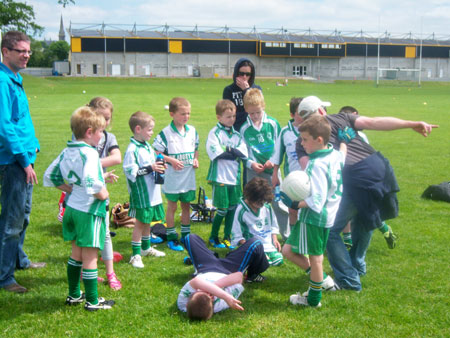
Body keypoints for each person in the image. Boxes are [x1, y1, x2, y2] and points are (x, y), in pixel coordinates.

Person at [295, 95, 438, 291]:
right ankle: (357, 267)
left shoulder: (304, 141)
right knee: (364, 220)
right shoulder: (341, 119)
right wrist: (411, 123)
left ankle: (348, 278)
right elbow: (374, 122)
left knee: (331, 230)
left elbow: (309, 175)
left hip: (357, 179)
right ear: (320, 111)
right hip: (379, 168)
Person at [43, 107, 115, 311]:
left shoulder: (68, 150)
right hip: (89, 211)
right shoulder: (90, 153)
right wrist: (104, 193)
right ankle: (92, 301)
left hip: (72, 208)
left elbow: (51, 176)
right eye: (101, 131)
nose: (102, 135)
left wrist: (70, 189)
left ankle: (74, 294)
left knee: (76, 253)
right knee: (90, 256)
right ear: (89, 132)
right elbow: (92, 183)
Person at [281, 115, 346, 307]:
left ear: (319, 140)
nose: (301, 143)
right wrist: (344, 141)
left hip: (316, 217)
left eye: (305, 140)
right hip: (327, 215)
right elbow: (342, 155)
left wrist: (293, 204)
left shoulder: (317, 165)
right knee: (288, 250)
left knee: (316, 258)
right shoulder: (333, 153)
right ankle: (323, 281)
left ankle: (313, 299)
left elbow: (316, 201)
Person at [0, 31, 44, 293]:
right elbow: (4, 127)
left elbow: (21, 120)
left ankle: (19, 261)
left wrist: (34, 143)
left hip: (26, 157)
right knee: (12, 221)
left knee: (23, 216)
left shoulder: (15, 78)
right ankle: (5, 278)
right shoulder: (3, 81)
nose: (26, 55)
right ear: (6, 51)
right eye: (21, 51)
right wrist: (25, 160)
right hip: (15, 161)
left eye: (28, 51)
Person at [338, 106, 397, 250]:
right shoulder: (339, 134)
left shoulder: (360, 136)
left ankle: (384, 230)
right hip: (346, 177)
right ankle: (348, 239)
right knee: (351, 210)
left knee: (364, 212)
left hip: (360, 180)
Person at [177, 233, 269, 320]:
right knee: (256, 243)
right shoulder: (222, 303)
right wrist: (222, 294)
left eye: (199, 291)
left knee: (190, 238)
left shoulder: (182, 302)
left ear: (187, 302)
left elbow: (197, 281)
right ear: (213, 306)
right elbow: (238, 276)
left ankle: (212, 255)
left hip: (206, 268)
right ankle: (252, 275)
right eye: (210, 296)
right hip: (228, 270)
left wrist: (212, 289)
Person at [239, 88, 289, 239]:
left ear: (263, 107)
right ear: (246, 110)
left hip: (272, 171)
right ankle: (255, 235)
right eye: (251, 113)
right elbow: (243, 152)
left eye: (258, 112)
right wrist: (251, 164)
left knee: (278, 203)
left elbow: (279, 147)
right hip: (254, 172)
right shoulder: (244, 129)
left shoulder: (273, 124)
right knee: (254, 202)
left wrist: (272, 163)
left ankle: (286, 236)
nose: (255, 116)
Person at [153, 97, 199, 251]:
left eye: (188, 114)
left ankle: (186, 236)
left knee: (186, 206)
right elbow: (157, 152)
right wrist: (171, 160)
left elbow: (196, 149)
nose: (186, 117)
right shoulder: (166, 133)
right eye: (182, 114)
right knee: (172, 207)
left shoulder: (192, 131)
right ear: (172, 114)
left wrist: (196, 160)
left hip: (188, 177)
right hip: (173, 178)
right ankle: (172, 237)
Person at [123, 111, 166, 268]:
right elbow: (131, 172)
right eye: (149, 129)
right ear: (138, 129)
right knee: (140, 222)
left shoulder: (147, 146)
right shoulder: (132, 149)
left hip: (152, 190)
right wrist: (150, 168)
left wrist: (159, 166)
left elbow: (152, 162)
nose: (152, 132)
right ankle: (135, 254)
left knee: (148, 220)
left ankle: (146, 248)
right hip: (141, 193)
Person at [205, 99, 248, 249]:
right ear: (219, 117)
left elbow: (243, 153)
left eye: (234, 116)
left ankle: (227, 236)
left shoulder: (237, 135)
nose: (232, 120)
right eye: (228, 117)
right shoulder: (214, 133)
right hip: (220, 177)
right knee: (222, 209)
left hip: (234, 179)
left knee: (233, 209)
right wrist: (232, 152)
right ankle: (213, 236)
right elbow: (216, 153)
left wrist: (228, 150)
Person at [231, 177, 283, 269]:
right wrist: (250, 248)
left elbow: (273, 224)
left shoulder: (266, 207)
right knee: (261, 261)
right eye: (259, 202)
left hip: (267, 244)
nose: (261, 205)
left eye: (263, 202)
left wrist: (274, 239)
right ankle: (257, 258)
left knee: (278, 260)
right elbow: (237, 234)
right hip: (252, 246)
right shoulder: (241, 210)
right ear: (251, 197)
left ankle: (263, 258)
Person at [271, 97, 303, 237]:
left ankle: (305, 236)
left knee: (309, 209)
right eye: (300, 112)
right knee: (293, 209)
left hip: (309, 177)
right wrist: (275, 174)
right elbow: (278, 155)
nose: (304, 115)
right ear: (292, 115)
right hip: (291, 179)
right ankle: (294, 237)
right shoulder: (285, 132)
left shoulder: (311, 130)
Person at [223, 58, 262, 131]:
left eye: (248, 74)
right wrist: (247, 114)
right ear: (236, 73)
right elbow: (228, 115)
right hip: (236, 129)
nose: (244, 77)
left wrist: (246, 90)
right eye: (241, 74)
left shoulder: (257, 89)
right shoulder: (229, 90)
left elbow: (258, 112)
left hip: (252, 130)